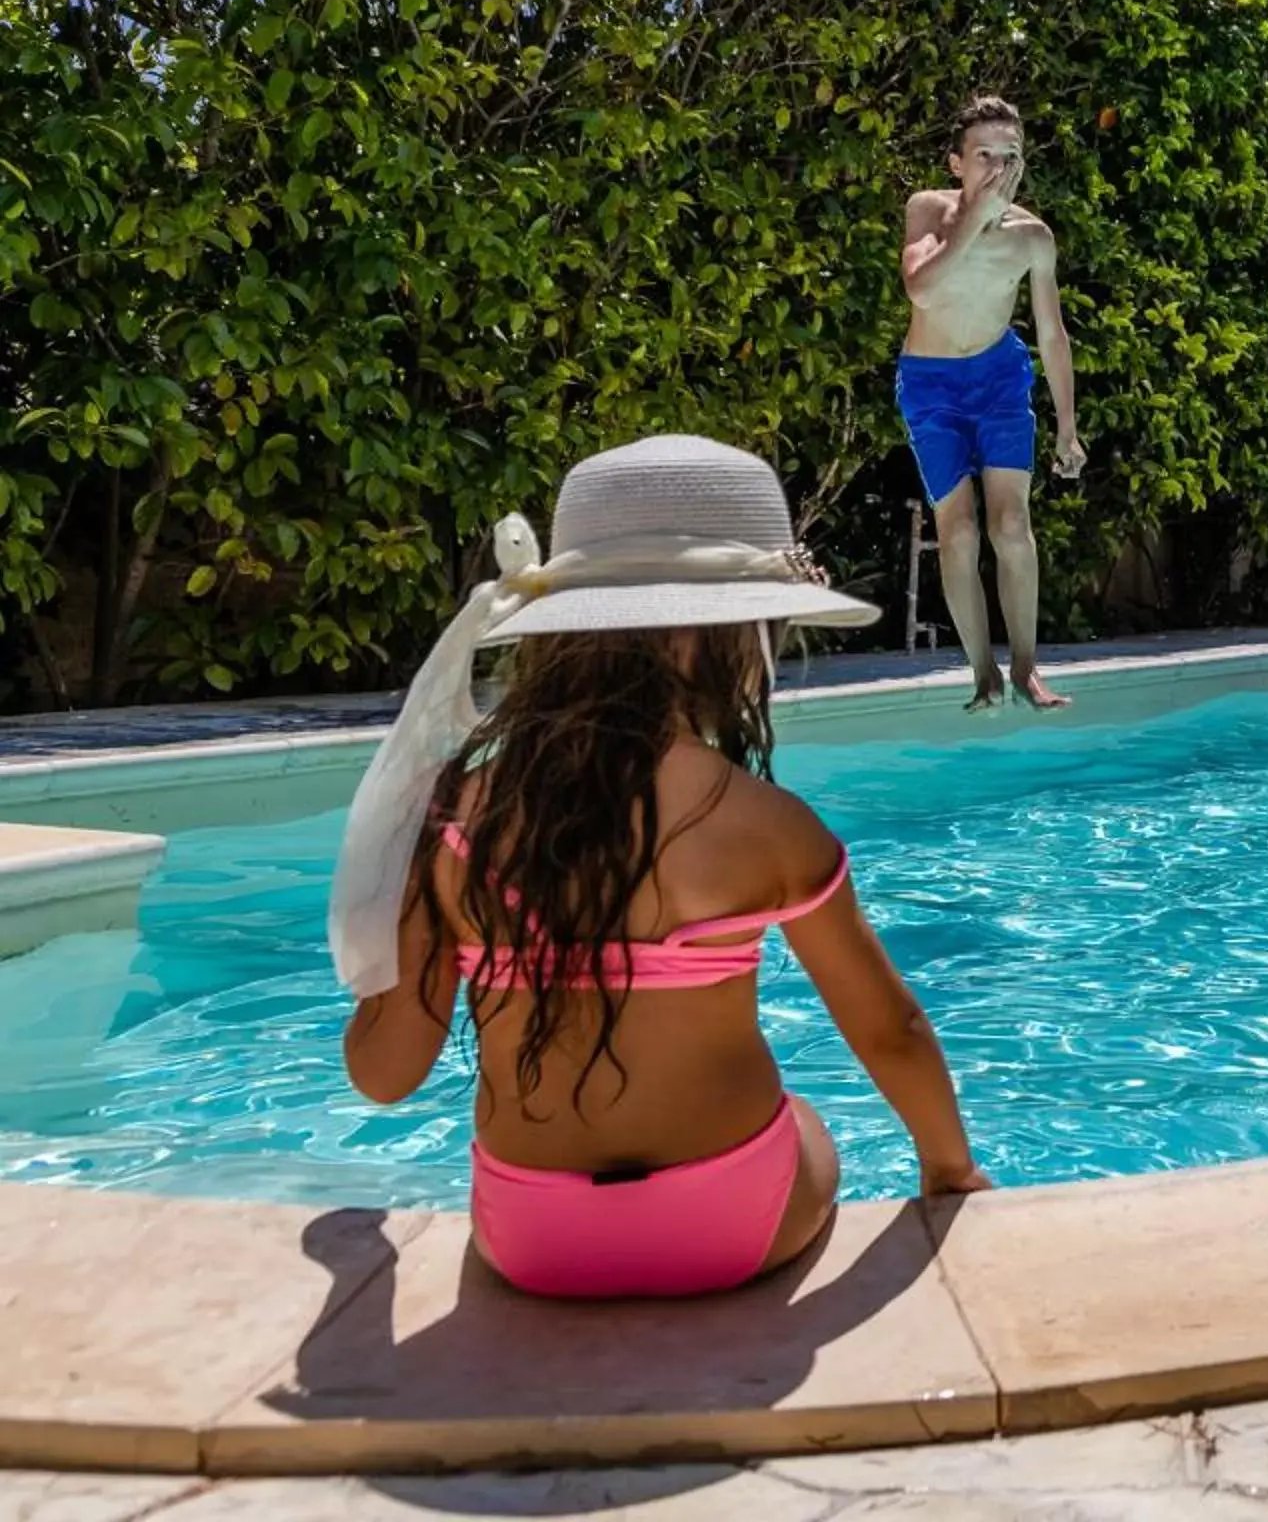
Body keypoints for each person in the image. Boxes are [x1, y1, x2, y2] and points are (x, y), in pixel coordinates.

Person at [335, 434, 989, 1301]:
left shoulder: (456, 816)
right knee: (806, 1124)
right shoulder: (771, 828)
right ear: (722, 637)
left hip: (532, 1240)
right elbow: (890, 1033)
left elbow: (386, 1077)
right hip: (730, 1224)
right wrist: (948, 1171)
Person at [898, 94, 1087, 710]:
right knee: (958, 535)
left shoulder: (1033, 239)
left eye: (1011, 156)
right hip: (931, 383)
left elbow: (1052, 335)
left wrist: (1067, 428)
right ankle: (983, 672)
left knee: (1011, 525)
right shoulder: (928, 211)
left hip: (1000, 376)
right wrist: (971, 222)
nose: (1000, 168)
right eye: (985, 156)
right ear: (957, 164)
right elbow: (921, 292)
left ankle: (1027, 669)